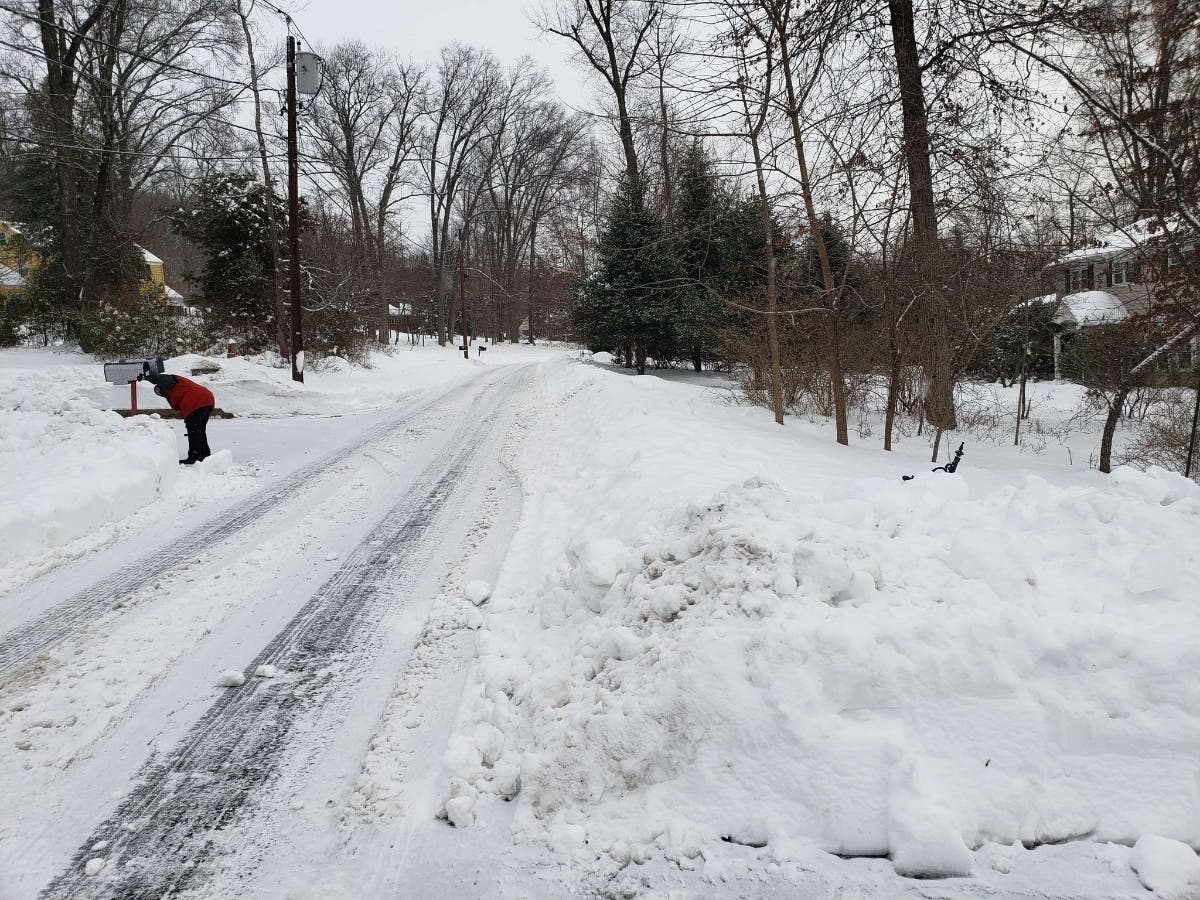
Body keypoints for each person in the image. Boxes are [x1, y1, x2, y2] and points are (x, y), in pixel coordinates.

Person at [142, 370, 216, 465]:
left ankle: (194, 457)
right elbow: (177, 406)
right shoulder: (171, 394)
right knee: (199, 431)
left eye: (158, 389)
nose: (158, 392)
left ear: (161, 386)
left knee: (193, 432)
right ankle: (205, 454)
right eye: (157, 393)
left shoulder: (171, 382)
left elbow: (161, 378)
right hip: (207, 400)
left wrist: (148, 377)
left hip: (196, 402)